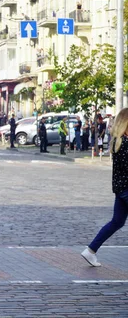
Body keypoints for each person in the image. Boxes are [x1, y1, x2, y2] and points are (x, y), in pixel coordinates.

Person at [81, 108, 128, 267]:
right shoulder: (125, 143)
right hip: (126, 189)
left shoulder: (118, 141)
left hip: (120, 189)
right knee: (116, 222)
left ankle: (91, 250)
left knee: (117, 222)